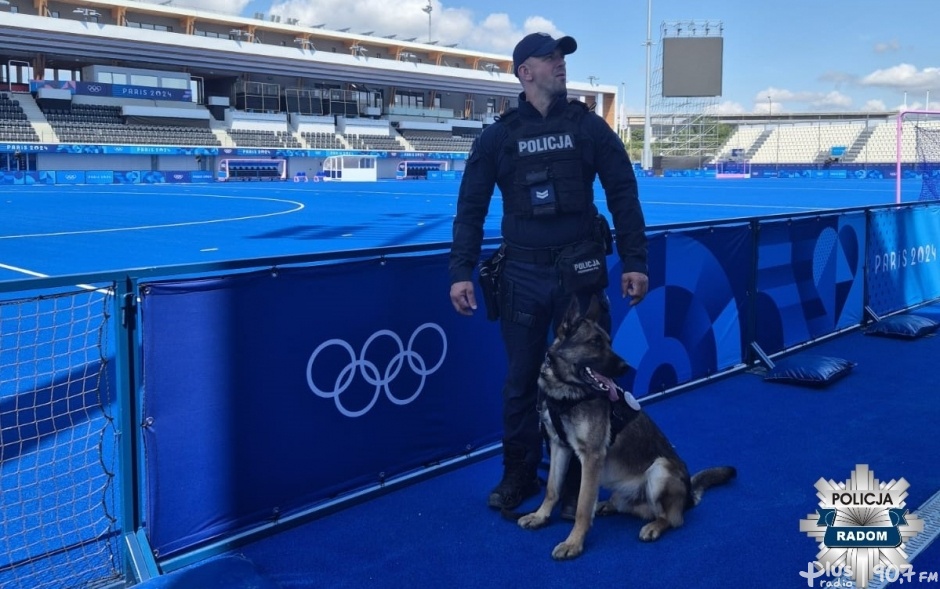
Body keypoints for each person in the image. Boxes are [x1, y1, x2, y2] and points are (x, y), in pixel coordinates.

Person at [448, 32, 650, 511]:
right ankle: (518, 473)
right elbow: (470, 207)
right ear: (525, 72)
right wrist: (461, 270)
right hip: (520, 277)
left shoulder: (588, 127)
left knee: (591, 380)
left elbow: (623, 191)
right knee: (521, 382)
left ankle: (584, 477)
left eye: (562, 58)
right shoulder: (498, 136)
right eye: (550, 58)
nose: (560, 64)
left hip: (580, 275)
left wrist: (636, 260)